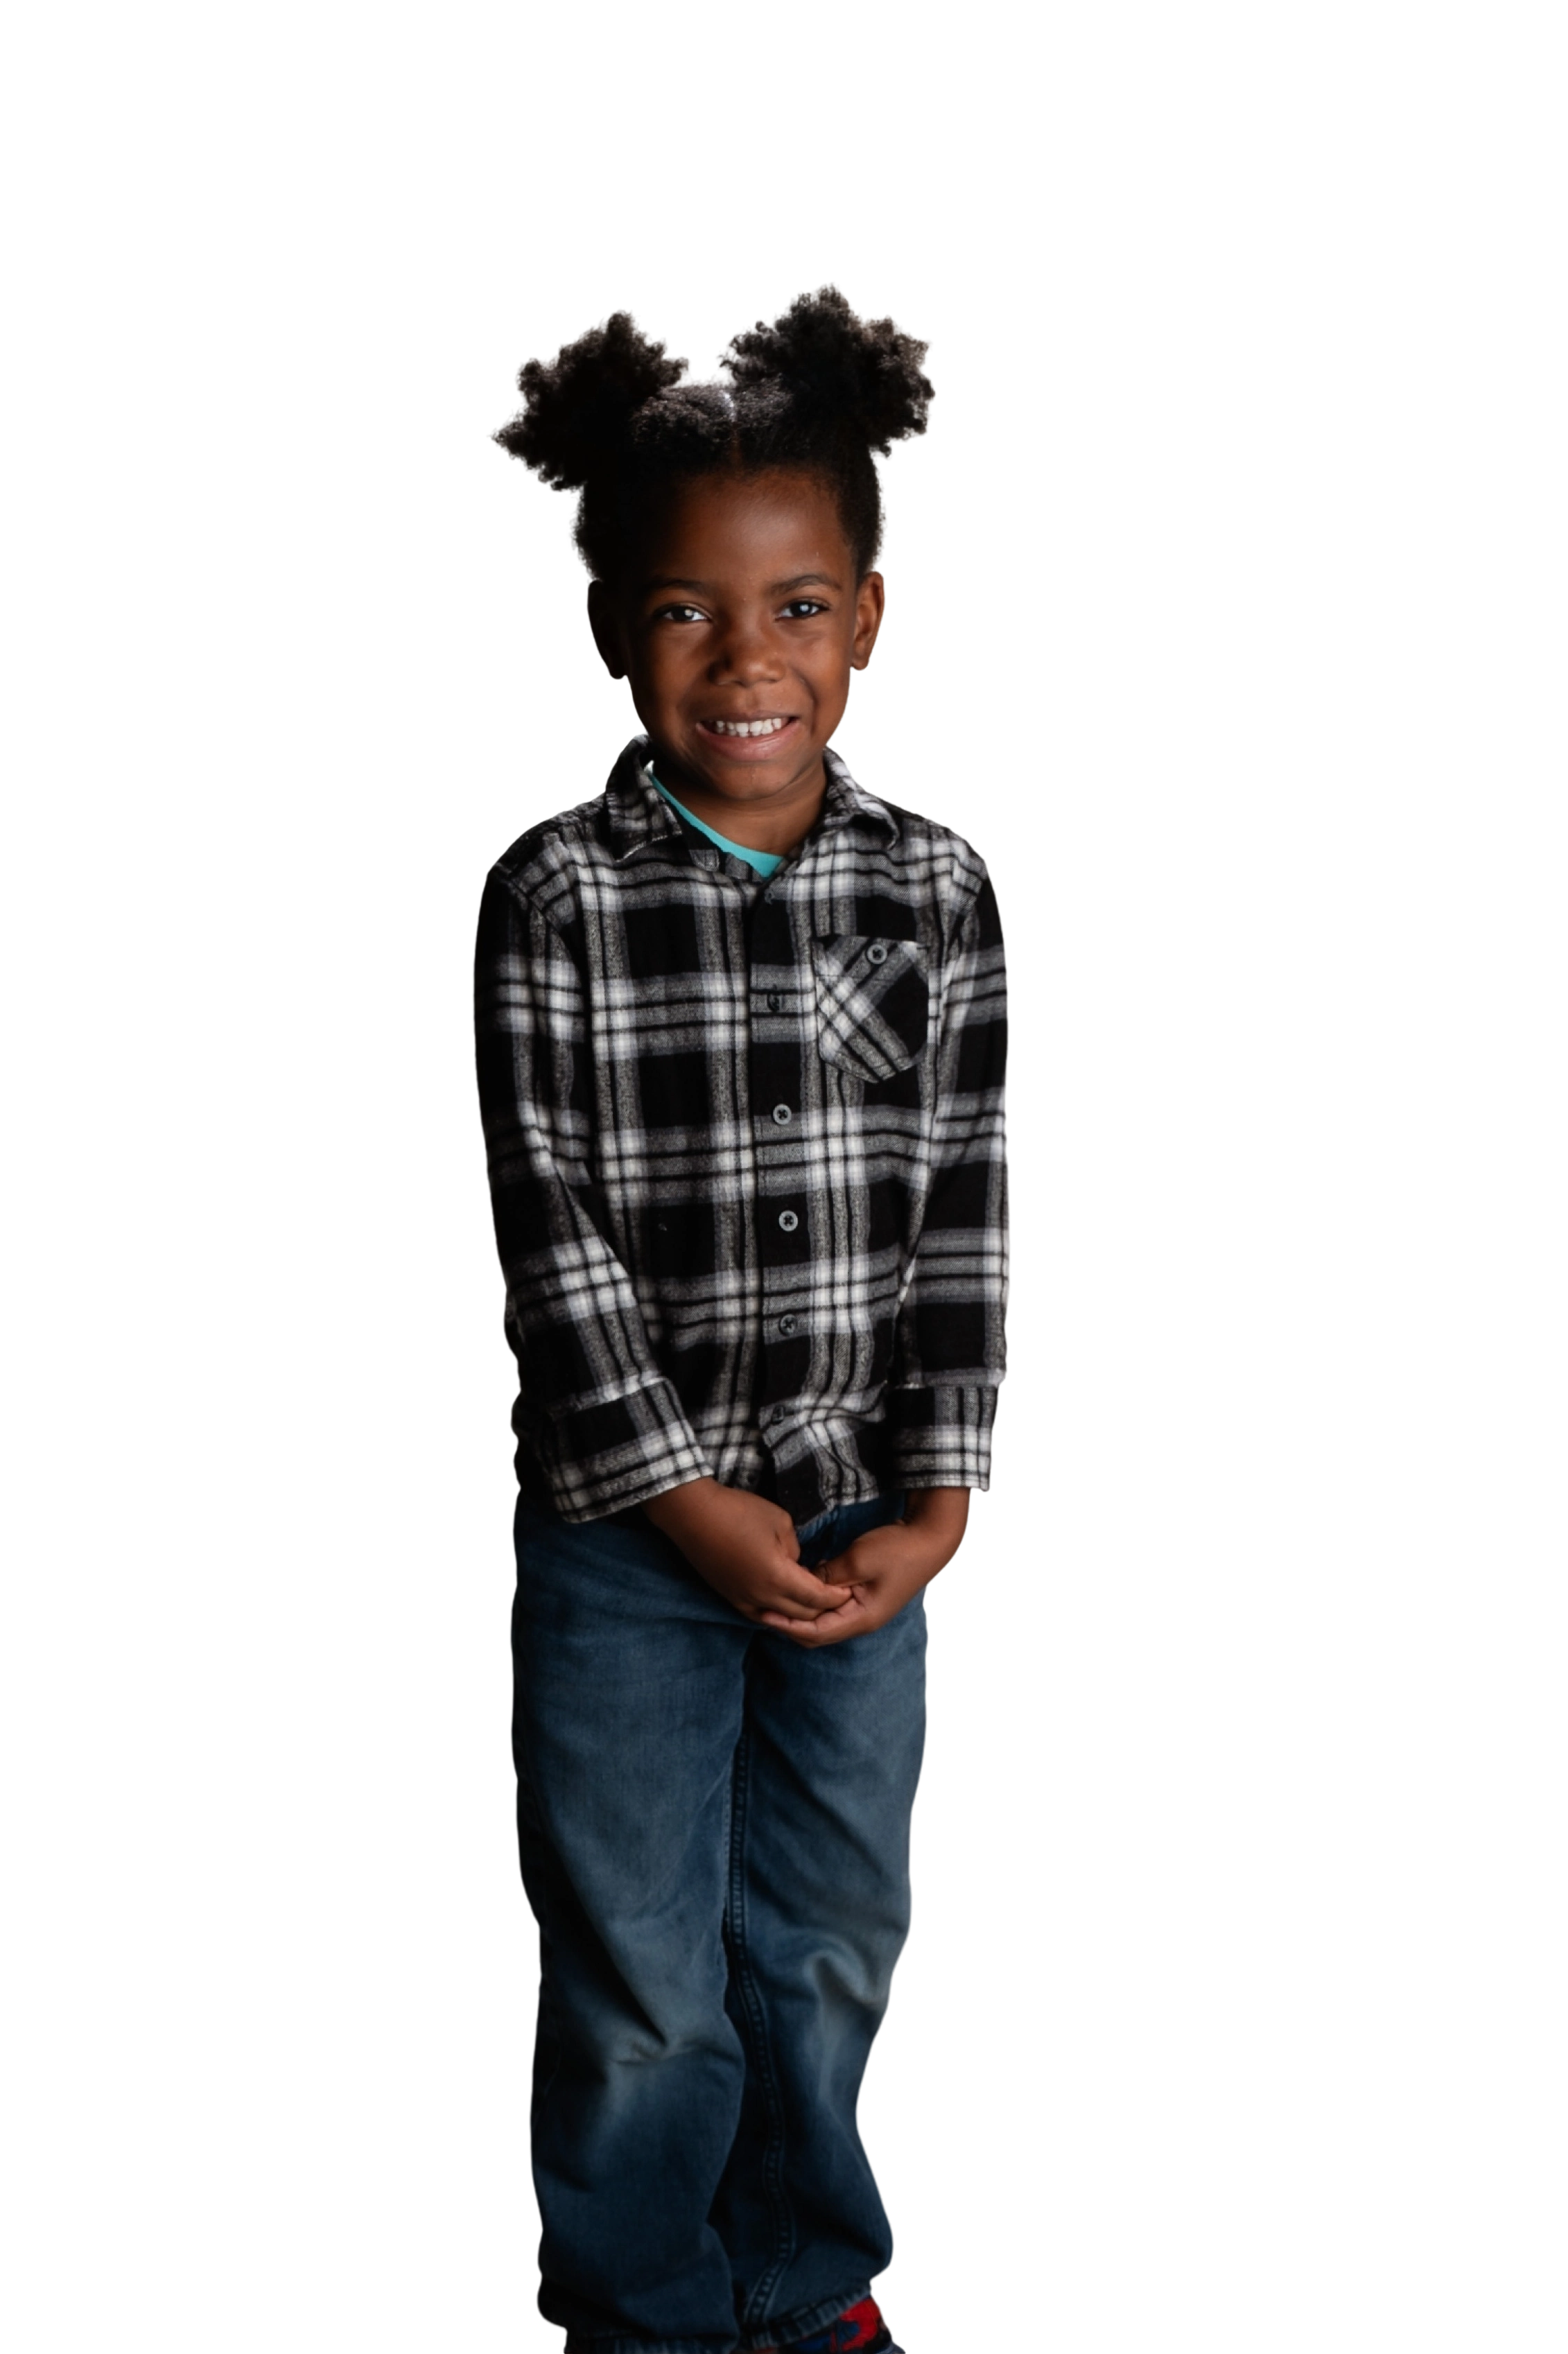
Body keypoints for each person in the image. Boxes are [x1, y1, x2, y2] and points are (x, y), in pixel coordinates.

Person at [471, 279, 1012, 2354]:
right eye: (688, 611)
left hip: (862, 1528)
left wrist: (940, 1493)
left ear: (869, 612)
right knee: (641, 1962)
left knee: (827, 1933)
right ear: (613, 627)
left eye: (795, 606)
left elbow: (962, 1207)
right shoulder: (556, 895)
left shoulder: (940, 890)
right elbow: (551, 1230)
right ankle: (647, 2308)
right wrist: (679, 1493)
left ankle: (802, 2286)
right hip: (632, 1537)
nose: (746, 658)